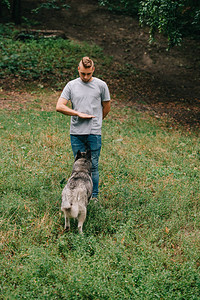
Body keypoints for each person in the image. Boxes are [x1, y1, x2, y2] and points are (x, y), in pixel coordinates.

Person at [56, 56, 111, 199]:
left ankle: (93, 197)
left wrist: (97, 122)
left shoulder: (101, 85)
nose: (86, 77)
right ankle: (77, 195)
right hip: (76, 133)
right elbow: (59, 106)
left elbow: (106, 107)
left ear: (93, 70)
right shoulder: (71, 85)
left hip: (94, 133)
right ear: (78, 69)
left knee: (93, 167)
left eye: (89, 74)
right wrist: (77, 114)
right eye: (83, 74)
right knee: (79, 167)